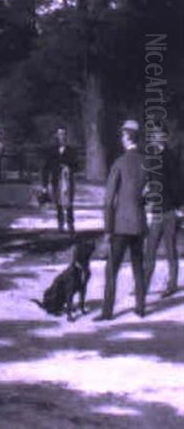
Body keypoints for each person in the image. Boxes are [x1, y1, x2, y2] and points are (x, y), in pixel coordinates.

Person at [95, 120, 148, 321]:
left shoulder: (119, 163)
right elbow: (150, 193)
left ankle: (107, 311)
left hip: (120, 224)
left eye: (122, 136)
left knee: (112, 269)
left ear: (127, 137)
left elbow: (108, 200)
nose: (121, 139)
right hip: (139, 222)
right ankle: (141, 307)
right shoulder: (147, 162)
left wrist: (108, 229)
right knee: (138, 265)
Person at [144, 128, 181, 298]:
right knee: (150, 248)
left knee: (170, 250)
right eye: (152, 135)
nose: (153, 137)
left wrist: (180, 207)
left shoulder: (171, 157)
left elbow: (179, 184)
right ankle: (143, 286)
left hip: (170, 211)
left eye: (157, 134)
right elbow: (149, 182)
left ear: (164, 138)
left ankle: (172, 285)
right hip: (156, 212)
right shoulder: (151, 159)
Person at [42, 126, 78, 233]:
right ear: (56, 136)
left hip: (68, 181)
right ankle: (60, 225)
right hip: (56, 180)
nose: (61, 137)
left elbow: (76, 166)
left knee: (69, 203)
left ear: (66, 136)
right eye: (59, 134)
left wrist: (69, 167)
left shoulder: (71, 151)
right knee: (58, 203)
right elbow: (46, 168)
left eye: (63, 134)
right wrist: (44, 185)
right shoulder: (51, 151)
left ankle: (71, 225)